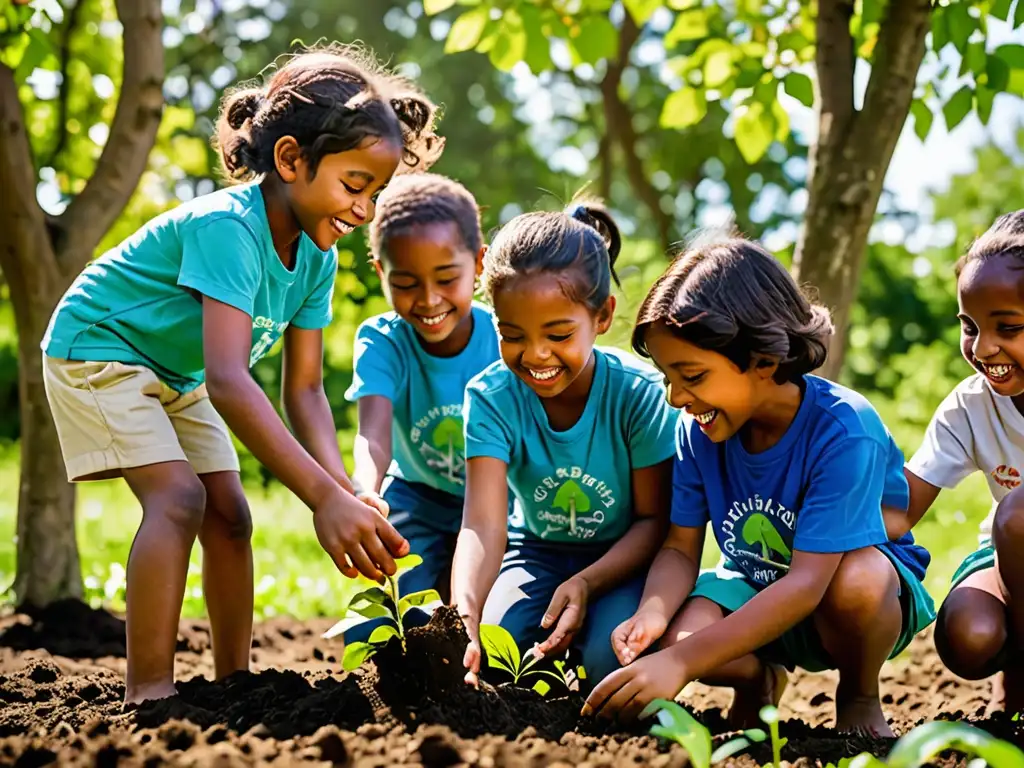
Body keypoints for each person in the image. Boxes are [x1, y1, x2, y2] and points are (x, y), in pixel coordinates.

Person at [40, 44, 443, 707]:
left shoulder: (317, 256)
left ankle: (234, 682)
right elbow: (229, 380)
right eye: (354, 185)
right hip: (98, 347)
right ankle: (149, 692)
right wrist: (320, 499)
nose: (364, 211)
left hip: (174, 368)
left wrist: (343, 490)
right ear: (290, 160)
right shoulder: (229, 229)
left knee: (229, 516)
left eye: (377, 192)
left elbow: (305, 387)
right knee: (178, 500)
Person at [582, 233, 935, 737]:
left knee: (859, 579)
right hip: (753, 580)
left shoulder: (844, 430)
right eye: (666, 376)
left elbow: (807, 583)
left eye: (692, 375)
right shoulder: (699, 430)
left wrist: (681, 664)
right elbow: (681, 549)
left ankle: (859, 692)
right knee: (679, 635)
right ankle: (759, 683)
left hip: (844, 598)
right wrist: (652, 617)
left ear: (763, 361)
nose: (676, 396)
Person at [452, 202, 678, 691]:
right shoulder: (490, 398)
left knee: (610, 665)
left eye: (558, 334)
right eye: (512, 335)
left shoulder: (638, 394)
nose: (535, 355)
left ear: (602, 316)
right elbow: (484, 523)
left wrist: (588, 583)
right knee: (499, 655)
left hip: (623, 560)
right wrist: (463, 616)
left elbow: (653, 521)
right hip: (535, 554)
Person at [341, 172, 498, 641]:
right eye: (406, 283)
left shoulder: (502, 339)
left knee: (492, 631)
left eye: (447, 279)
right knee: (385, 631)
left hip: (496, 502)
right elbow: (373, 434)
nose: (428, 300)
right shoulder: (381, 340)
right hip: (417, 498)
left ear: (479, 264)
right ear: (379, 272)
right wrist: (365, 491)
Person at [887, 211, 1024, 715]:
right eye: (970, 326)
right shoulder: (971, 405)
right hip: (1014, 565)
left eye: (1007, 327)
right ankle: (1015, 674)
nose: (984, 348)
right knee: (969, 633)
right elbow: (898, 510)